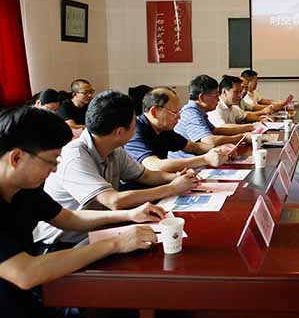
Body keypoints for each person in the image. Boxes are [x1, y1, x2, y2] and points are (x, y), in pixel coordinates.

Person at [0, 106, 163, 318]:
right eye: (51, 161)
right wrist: (116, 243)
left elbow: (67, 217)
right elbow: (25, 272)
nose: (54, 169)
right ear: (16, 158)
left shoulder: (25, 188)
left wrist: (128, 215)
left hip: (29, 298)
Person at [34, 91, 200, 247]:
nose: (137, 124)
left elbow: (145, 175)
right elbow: (114, 201)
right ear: (120, 132)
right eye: (134, 122)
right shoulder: (75, 156)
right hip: (64, 243)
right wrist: (172, 188)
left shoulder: (113, 149)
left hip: (100, 230)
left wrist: (177, 177)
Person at [124, 87, 232, 172]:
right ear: (154, 112)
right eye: (174, 113)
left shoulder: (164, 129)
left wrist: (220, 149)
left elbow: (193, 147)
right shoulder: (134, 130)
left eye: (179, 112)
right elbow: (155, 166)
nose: (179, 117)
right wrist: (205, 159)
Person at [171, 75, 252, 158]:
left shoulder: (199, 111)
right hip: (187, 162)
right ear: (202, 97)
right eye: (216, 96)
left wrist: (249, 128)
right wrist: (242, 137)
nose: (218, 100)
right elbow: (210, 141)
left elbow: (216, 130)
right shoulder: (191, 114)